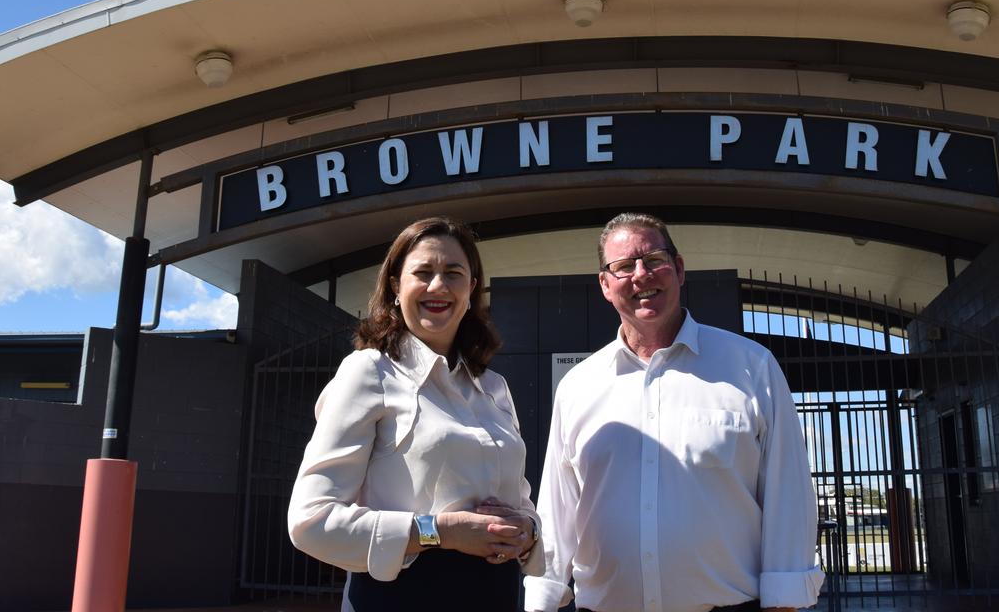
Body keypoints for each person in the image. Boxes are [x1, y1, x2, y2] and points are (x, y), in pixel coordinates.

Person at [524, 213, 824, 612]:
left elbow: (789, 494)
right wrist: (544, 598)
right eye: (623, 266)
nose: (641, 275)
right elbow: (558, 507)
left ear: (679, 269)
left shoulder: (752, 367)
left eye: (654, 259)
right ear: (605, 285)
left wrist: (784, 601)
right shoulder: (578, 385)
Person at [288, 216, 543, 611]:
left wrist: (527, 530)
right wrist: (439, 532)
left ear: (472, 288)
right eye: (423, 272)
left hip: (497, 596)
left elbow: (521, 501)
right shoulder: (369, 370)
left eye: (453, 273)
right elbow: (311, 521)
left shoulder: (495, 389)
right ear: (395, 285)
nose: (438, 286)